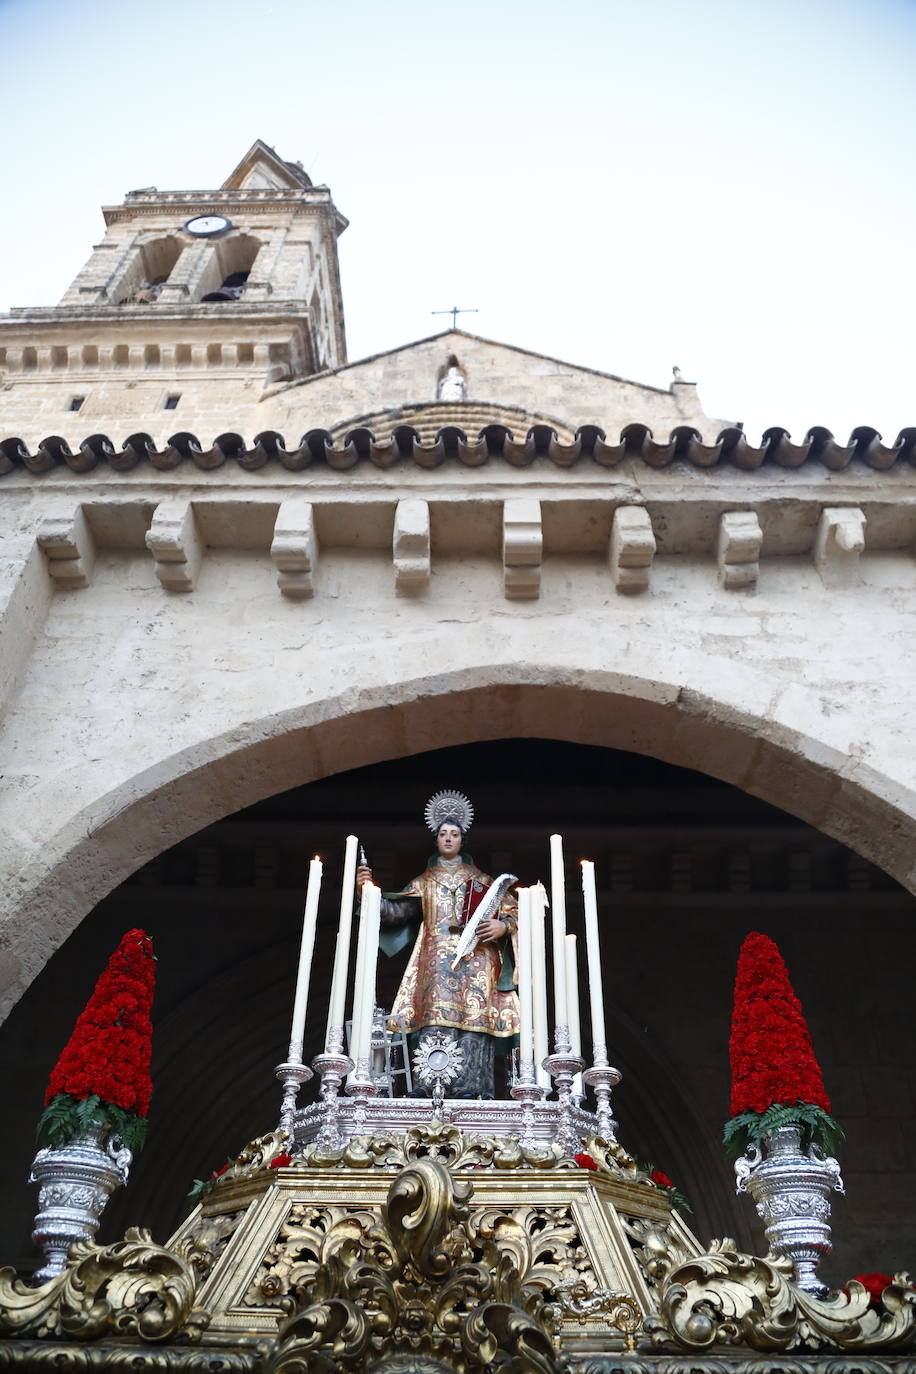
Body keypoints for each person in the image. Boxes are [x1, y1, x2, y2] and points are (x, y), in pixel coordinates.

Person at [355, 790, 519, 1099]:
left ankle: (473, 1087)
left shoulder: (483, 882)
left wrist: (503, 925)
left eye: (454, 834)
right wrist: (368, 892)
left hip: (477, 962)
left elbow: (519, 912)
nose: (448, 838)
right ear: (435, 839)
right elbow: (395, 913)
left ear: (462, 840)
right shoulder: (424, 882)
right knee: (433, 1017)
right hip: (435, 964)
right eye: (443, 833)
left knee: (474, 1021)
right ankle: (428, 1086)